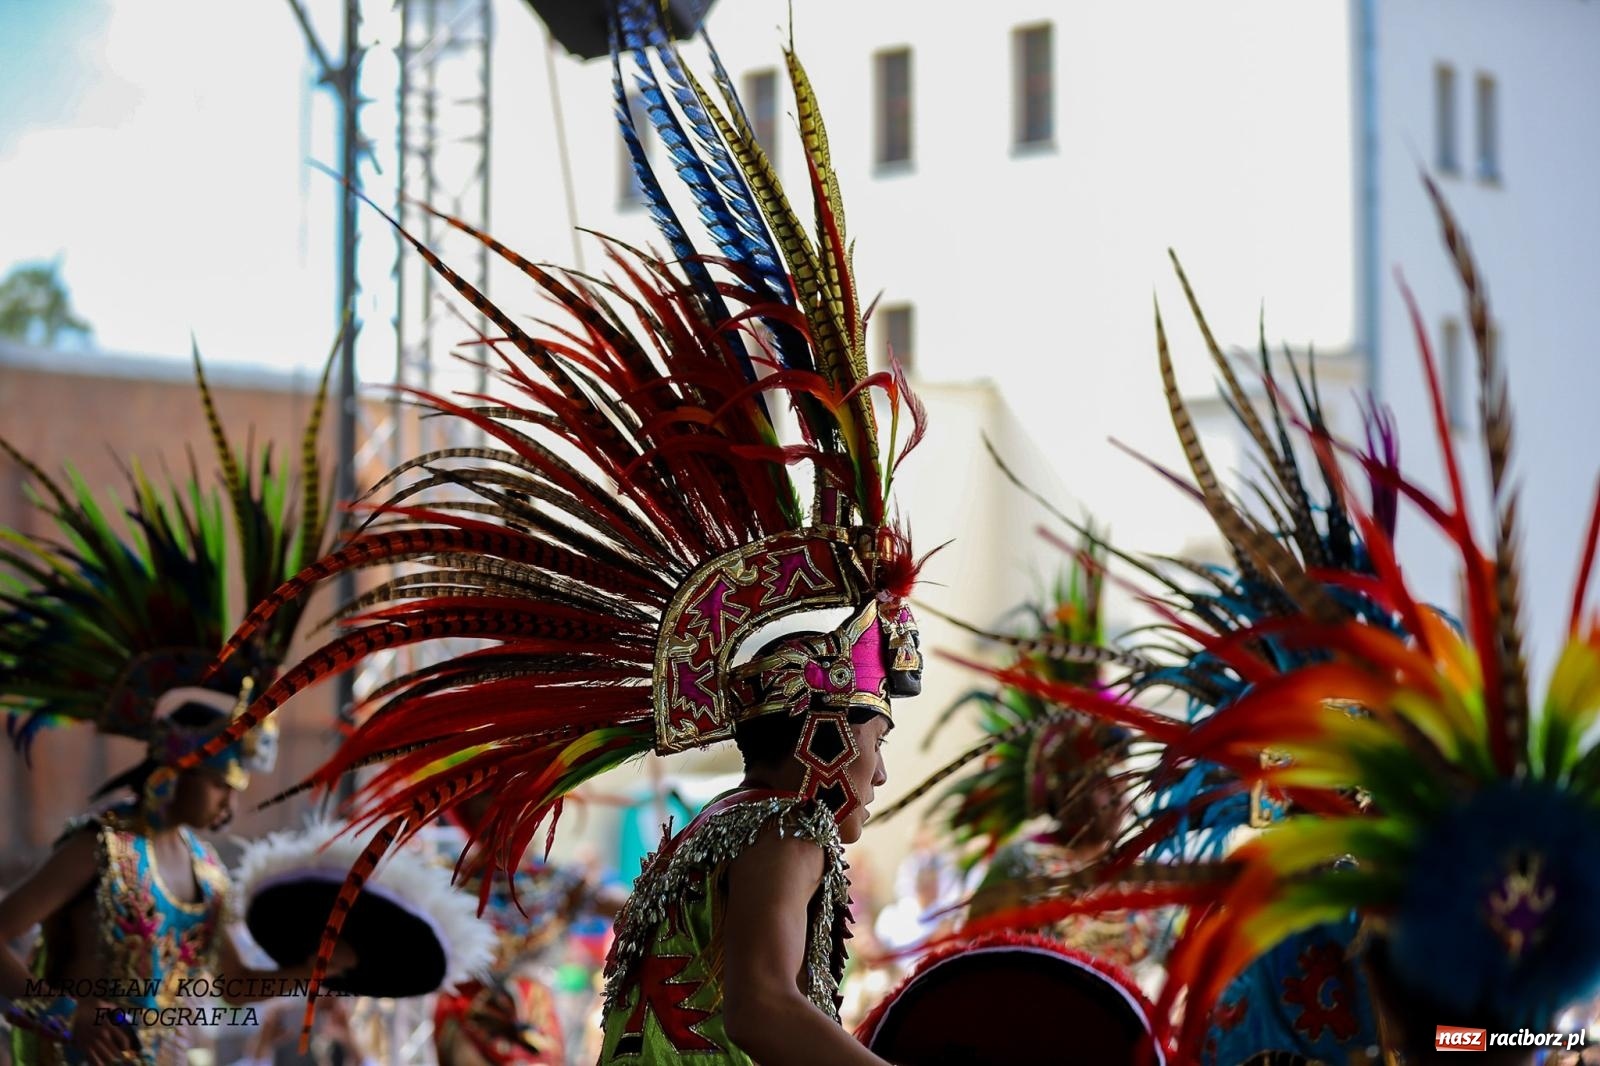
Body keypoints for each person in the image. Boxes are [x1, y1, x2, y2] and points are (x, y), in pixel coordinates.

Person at [156, 3, 932, 1064]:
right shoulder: (786, 828)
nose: (882, 773)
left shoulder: (705, 835)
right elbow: (757, 1008)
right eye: (876, 737)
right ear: (823, 737)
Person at [0, 356, 347, 1065]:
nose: (228, 806)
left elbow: (229, 983)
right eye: (223, 784)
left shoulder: (207, 870)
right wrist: (68, 1018)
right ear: (181, 760)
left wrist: (322, 973)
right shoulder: (97, 850)